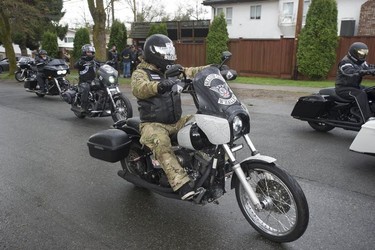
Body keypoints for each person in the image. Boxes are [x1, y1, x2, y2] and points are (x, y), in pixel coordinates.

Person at [131, 34, 209, 200]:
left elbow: (191, 71)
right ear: (154, 53)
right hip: (153, 124)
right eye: (164, 52)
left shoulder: (171, 71)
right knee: (162, 144)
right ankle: (182, 185)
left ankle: (211, 164)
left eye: (169, 52)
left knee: (204, 122)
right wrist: (159, 86)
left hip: (176, 121)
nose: (168, 56)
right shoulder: (140, 72)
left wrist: (213, 69)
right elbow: (139, 88)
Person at [335, 42, 375, 123]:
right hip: (343, 88)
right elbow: (350, 72)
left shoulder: (361, 62)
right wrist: (366, 72)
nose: (362, 56)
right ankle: (367, 119)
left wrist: (372, 70)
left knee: (372, 90)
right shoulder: (345, 62)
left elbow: (370, 67)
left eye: (364, 54)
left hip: (355, 87)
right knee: (361, 94)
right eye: (361, 53)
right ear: (354, 52)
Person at [74, 44, 100, 113]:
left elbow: (101, 65)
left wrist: (108, 63)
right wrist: (79, 63)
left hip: (93, 81)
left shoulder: (94, 61)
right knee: (86, 88)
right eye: (88, 52)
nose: (90, 53)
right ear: (84, 52)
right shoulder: (82, 61)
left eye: (91, 52)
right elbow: (75, 65)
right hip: (84, 82)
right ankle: (83, 106)